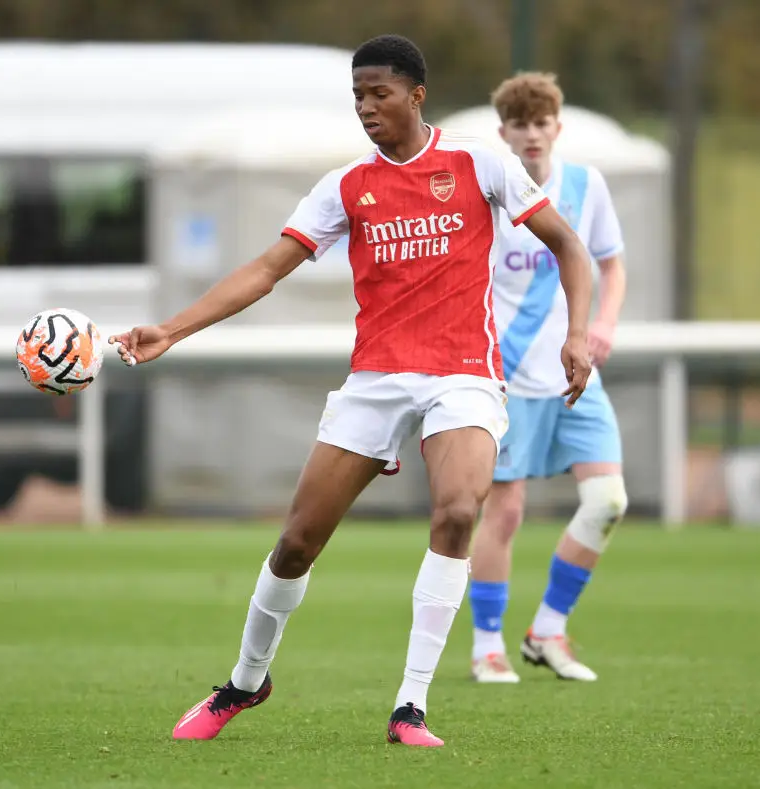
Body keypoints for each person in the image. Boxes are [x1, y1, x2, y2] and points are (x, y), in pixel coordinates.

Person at [109, 36, 596, 747]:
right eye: (358, 96)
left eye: (380, 93)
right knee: (298, 541)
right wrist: (173, 330)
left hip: (463, 371)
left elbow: (570, 247)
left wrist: (577, 334)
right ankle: (246, 679)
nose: (367, 107)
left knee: (459, 509)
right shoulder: (345, 186)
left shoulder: (479, 164)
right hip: (376, 379)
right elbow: (266, 269)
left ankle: (410, 706)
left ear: (415, 95)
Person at [467, 72, 629, 684]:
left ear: (557, 127)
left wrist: (602, 325)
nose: (532, 134)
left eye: (542, 123)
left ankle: (548, 630)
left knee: (608, 500)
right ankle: (488, 645)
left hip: (576, 370)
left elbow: (611, 266)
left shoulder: (587, 187)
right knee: (504, 514)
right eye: (520, 124)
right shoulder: (491, 190)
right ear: (502, 131)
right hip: (505, 374)